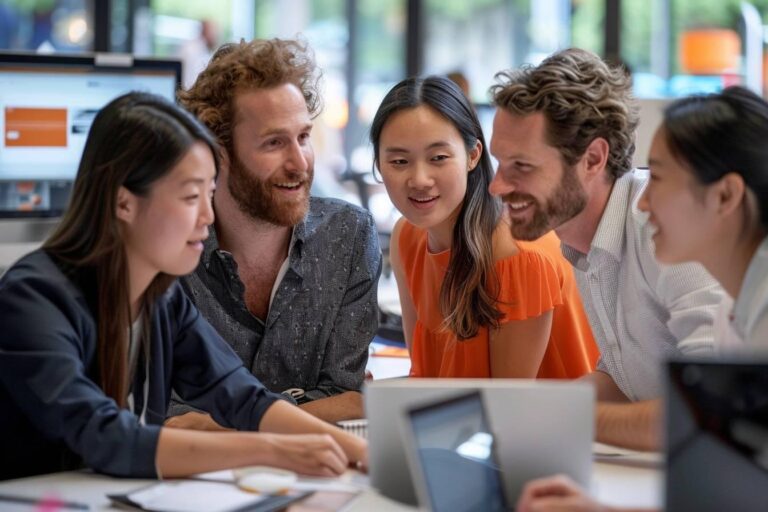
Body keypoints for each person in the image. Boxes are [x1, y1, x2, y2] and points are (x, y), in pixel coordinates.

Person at [0, 92, 366, 481]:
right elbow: (105, 437)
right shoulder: (32, 300)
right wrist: (273, 450)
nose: (207, 216)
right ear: (124, 203)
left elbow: (245, 398)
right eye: (191, 196)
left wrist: (360, 452)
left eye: (210, 194)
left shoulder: (161, 297)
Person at [514, 84, 768, 512]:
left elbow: (700, 428)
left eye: (660, 179)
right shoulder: (736, 306)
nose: (644, 202)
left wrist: (564, 415)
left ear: (725, 196)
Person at [488, 48, 724, 450]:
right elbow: (626, 380)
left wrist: (561, 417)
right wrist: (523, 413)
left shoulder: (663, 227)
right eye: (499, 163)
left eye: (522, 166)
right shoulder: (583, 239)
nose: (497, 186)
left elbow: (710, 407)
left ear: (593, 159)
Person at [167, 38, 381, 428]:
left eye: (303, 137)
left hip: (310, 465)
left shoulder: (348, 237)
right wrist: (304, 409)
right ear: (218, 152)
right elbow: (168, 417)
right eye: (274, 143)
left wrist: (220, 422)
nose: (300, 163)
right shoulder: (170, 250)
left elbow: (349, 398)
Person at [370, 75, 599, 379]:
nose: (420, 180)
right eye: (399, 161)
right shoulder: (407, 237)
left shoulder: (517, 256)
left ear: (473, 155)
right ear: (379, 163)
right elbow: (424, 377)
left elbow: (505, 402)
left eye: (438, 158)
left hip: (550, 411)